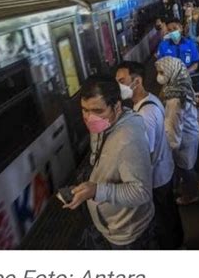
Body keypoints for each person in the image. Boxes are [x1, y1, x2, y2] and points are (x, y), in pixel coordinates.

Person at [64, 76, 156, 250]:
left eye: (97, 111)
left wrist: (97, 190)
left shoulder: (128, 139)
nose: (89, 118)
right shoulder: (103, 124)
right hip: (114, 226)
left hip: (129, 232)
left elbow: (141, 192)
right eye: (84, 110)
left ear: (117, 106)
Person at [115, 62, 184, 249]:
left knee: (163, 220)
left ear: (136, 81)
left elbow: (146, 153)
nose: (118, 86)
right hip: (165, 169)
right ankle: (178, 244)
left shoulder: (145, 114)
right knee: (169, 213)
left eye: (122, 81)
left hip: (157, 178)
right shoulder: (151, 99)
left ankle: (173, 248)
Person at [155, 57, 199, 205]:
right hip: (189, 132)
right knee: (187, 166)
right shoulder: (180, 83)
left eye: (162, 72)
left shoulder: (174, 97)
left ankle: (191, 195)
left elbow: (173, 124)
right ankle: (190, 188)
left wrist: (171, 145)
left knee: (186, 168)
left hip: (184, 136)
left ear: (171, 71)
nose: (159, 76)